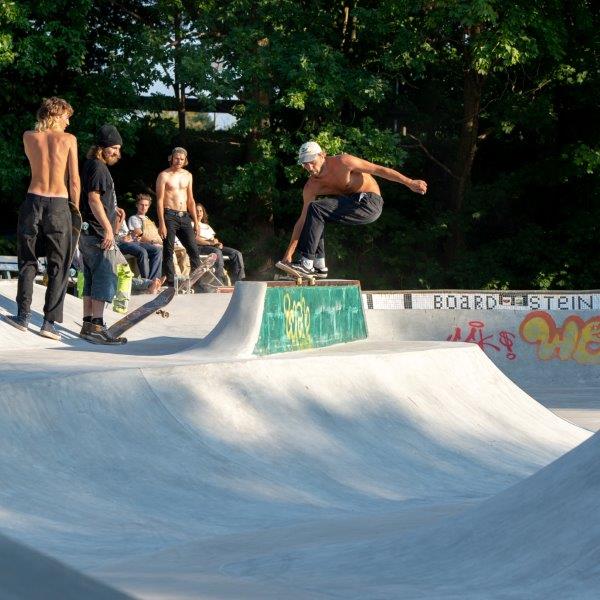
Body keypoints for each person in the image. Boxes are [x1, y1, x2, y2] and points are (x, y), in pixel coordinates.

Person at [281, 141, 428, 277]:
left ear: (322, 155)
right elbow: (303, 220)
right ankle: (319, 266)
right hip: (352, 204)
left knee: (316, 208)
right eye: (305, 164)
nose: (310, 168)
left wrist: (409, 182)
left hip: (370, 202)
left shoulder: (344, 162)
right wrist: (289, 254)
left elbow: (379, 169)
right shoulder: (311, 186)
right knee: (314, 213)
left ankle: (306, 263)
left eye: (312, 162)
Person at [6, 97, 80, 340]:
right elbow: (74, 180)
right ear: (56, 115)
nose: (68, 122)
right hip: (58, 203)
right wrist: (75, 210)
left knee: (27, 259)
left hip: (33, 200)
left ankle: (22, 316)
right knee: (59, 263)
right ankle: (48, 324)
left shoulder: (28, 137)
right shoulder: (69, 140)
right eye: (66, 116)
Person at [78, 124, 127, 344]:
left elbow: (97, 198)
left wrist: (113, 209)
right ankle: (97, 327)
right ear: (103, 147)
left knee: (91, 278)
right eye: (114, 148)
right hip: (98, 234)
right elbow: (93, 199)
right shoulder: (99, 167)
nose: (117, 153)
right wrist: (108, 228)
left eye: (118, 149)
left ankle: (87, 325)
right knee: (106, 276)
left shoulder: (90, 164)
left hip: (87, 232)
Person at [156, 147, 202, 285]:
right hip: (169, 214)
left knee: (193, 249)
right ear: (171, 158)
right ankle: (170, 281)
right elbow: (159, 200)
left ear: (185, 160)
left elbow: (191, 200)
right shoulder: (164, 175)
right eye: (176, 158)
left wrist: (196, 222)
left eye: (182, 159)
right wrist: (161, 223)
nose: (179, 161)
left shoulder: (188, 175)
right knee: (168, 250)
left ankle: (197, 282)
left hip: (184, 215)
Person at [195, 203, 245, 284]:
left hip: (212, 246)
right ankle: (218, 280)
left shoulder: (207, 226)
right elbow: (194, 239)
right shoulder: (190, 224)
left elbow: (213, 239)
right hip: (200, 247)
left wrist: (218, 243)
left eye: (201, 211)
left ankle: (238, 282)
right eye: (197, 211)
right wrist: (210, 243)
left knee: (236, 254)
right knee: (217, 252)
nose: (199, 213)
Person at [116, 196, 162, 280]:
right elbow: (140, 235)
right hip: (123, 243)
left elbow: (129, 233)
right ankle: (147, 281)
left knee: (157, 250)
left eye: (146, 205)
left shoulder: (147, 218)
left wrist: (131, 237)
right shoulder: (133, 218)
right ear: (137, 205)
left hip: (135, 242)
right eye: (141, 205)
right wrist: (153, 242)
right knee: (142, 251)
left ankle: (154, 280)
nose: (144, 207)